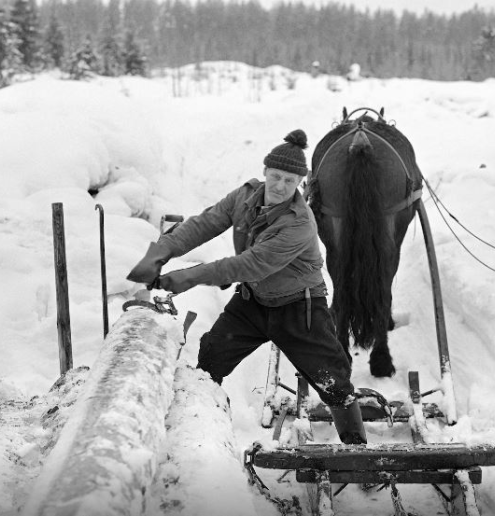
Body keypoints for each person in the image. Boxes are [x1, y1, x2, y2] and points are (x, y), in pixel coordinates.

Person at [127, 129, 366, 444]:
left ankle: (356, 448)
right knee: (212, 354)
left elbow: (248, 264)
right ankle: (198, 428)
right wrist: (163, 250)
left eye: (290, 181)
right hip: (252, 302)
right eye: (276, 176)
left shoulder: (299, 223)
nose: (280, 186)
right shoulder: (244, 197)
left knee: (333, 381)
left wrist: (183, 278)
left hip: (299, 308)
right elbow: (204, 224)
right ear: (265, 172)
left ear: (300, 185)